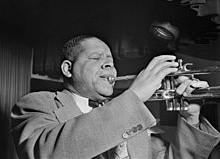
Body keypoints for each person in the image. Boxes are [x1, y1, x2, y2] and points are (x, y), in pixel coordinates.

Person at [11, 35, 220, 159]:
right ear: (68, 69)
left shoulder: (133, 120)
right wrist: (134, 97)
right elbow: (45, 152)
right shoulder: (37, 104)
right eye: (96, 58)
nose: (109, 64)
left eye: (111, 60)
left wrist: (191, 116)